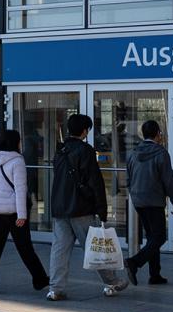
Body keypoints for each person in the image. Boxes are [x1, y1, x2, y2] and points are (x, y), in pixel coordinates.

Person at [47, 113, 128, 301]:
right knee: (95, 247)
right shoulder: (86, 151)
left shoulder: (60, 151)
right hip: (81, 207)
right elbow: (95, 182)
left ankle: (56, 289)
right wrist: (102, 208)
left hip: (60, 207)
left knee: (59, 249)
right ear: (84, 131)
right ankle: (112, 281)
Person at [0, 129, 49, 294]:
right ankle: (40, 279)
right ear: (15, 142)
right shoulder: (17, 161)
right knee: (25, 247)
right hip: (13, 210)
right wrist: (22, 215)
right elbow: (20, 189)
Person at [123, 120, 173, 286]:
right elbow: (168, 181)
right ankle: (134, 262)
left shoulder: (133, 153)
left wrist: (134, 193)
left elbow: (128, 179)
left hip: (138, 201)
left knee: (152, 237)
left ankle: (155, 274)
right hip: (154, 200)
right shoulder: (161, 153)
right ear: (158, 134)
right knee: (159, 237)